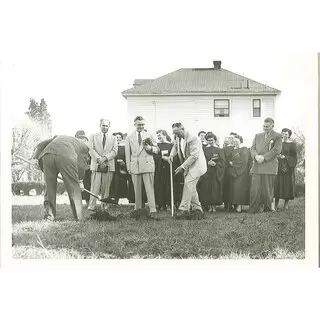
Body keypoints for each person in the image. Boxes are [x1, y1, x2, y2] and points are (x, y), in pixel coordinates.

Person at [36, 135, 89, 221]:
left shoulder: (61, 137)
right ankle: (79, 217)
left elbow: (41, 144)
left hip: (46, 156)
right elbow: (81, 165)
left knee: (50, 188)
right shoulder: (85, 146)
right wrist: (80, 181)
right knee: (73, 187)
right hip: (66, 156)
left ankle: (49, 217)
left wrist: (38, 159)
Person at [169, 123, 207, 219]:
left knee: (188, 183)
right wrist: (171, 155)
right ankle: (198, 209)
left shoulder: (193, 138)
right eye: (174, 133)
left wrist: (182, 167)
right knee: (192, 188)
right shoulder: (178, 137)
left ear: (182, 129)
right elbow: (175, 147)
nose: (176, 135)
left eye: (177, 132)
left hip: (197, 165)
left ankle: (183, 209)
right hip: (189, 165)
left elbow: (194, 156)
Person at [125, 116, 159, 215]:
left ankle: (152, 209)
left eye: (143, 124)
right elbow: (128, 154)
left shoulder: (150, 135)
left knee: (150, 188)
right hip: (135, 165)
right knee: (137, 190)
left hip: (148, 165)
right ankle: (138, 209)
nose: (141, 126)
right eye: (139, 124)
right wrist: (128, 167)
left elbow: (157, 150)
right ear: (134, 124)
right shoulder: (129, 137)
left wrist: (150, 148)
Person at [248, 118, 282, 213]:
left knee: (267, 189)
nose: (265, 128)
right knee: (255, 189)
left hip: (269, 165)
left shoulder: (278, 136)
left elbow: (276, 150)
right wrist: (255, 156)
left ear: (272, 126)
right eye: (264, 126)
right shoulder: (258, 135)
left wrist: (264, 157)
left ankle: (268, 208)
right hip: (257, 166)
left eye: (267, 126)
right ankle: (253, 208)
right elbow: (252, 148)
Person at [88, 119, 118, 211]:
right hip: (96, 164)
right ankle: (91, 205)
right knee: (94, 186)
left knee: (106, 187)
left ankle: (104, 205)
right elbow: (91, 149)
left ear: (109, 126)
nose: (105, 127)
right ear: (100, 125)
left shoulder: (113, 138)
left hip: (108, 164)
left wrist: (104, 158)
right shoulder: (93, 136)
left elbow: (114, 151)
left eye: (106, 126)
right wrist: (98, 159)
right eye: (103, 125)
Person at [198, 132, 225, 213]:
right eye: (209, 140)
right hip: (207, 172)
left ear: (214, 140)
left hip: (216, 172)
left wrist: (216, 164)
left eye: (212, 140)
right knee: (207, 189)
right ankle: (209, 206)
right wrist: (207, 163)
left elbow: (223, 161)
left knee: (215, 189)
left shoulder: (219, 150)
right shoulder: (204, 149)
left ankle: (214, 206)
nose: (211, 142)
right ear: (207, 140)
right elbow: (201, 160)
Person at [274, 128, 297, 210]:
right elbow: (275, 152)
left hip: (288, 167)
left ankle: (286, 204)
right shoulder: (279, 143)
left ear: (289, 135)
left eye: (286, 134)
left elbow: (294, 157)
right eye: (283, 133)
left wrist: (285, 157)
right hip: (279, 166)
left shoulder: (292, 144)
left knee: (287, 185)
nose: (284, 135)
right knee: (277, 184)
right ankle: (275, 204)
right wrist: (277, 156)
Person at [227, 136, 251, 212]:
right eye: (234, 141)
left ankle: (239, 207)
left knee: (239, 189)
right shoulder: (232, 150)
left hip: (242, 172)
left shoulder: (244, 149)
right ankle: (236, 206)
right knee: (234, 189)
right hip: (234, 172)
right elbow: (229, 159)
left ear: (241, 141)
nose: (235, 143)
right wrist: (230, 162)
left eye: (237, 141)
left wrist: (233, 163)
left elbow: (244, 161)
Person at [154, 129, 173, 211]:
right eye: (157, 135)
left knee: (168, 186)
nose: (158, 137)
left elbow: (174, 155)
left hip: (168, 168)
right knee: (159, 186)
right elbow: (154, 156)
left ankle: (169, 204)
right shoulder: (156, 145)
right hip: (159, 168)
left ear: (165, 135)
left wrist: (169, 159)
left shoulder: (171, 145)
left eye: (160, 135)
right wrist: (162, 157)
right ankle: (160, 204)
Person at [109, 132, 129, 204]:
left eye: (120, 137)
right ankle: (113, 199)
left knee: (121, 183)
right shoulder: (110, 147)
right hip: (112, 167)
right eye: (117, 137)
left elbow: (127, 158)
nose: (118, 139)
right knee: (112, 184)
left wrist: (124, 164)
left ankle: (119, 200)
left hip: (121, 168)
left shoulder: (124, 147)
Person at [75, 130, 91, 205]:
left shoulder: (88, 149)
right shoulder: (75, 149)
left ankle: (88, 202)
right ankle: (78, 203)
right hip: (77, 171)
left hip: (87, 172)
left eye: (84, 140)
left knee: (87, 186)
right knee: (77, 188)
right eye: (80, 139)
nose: (82, 141)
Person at [222, 135, 235, 210]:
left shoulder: (236, 148)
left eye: (232, 138)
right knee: (227, 187)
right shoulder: (224, 149)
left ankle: (231, 204)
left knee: (232, 187)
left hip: (232, 169)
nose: (231, 140)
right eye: (229, 138)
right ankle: (227, 204)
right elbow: (223, 159)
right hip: (227, 169)